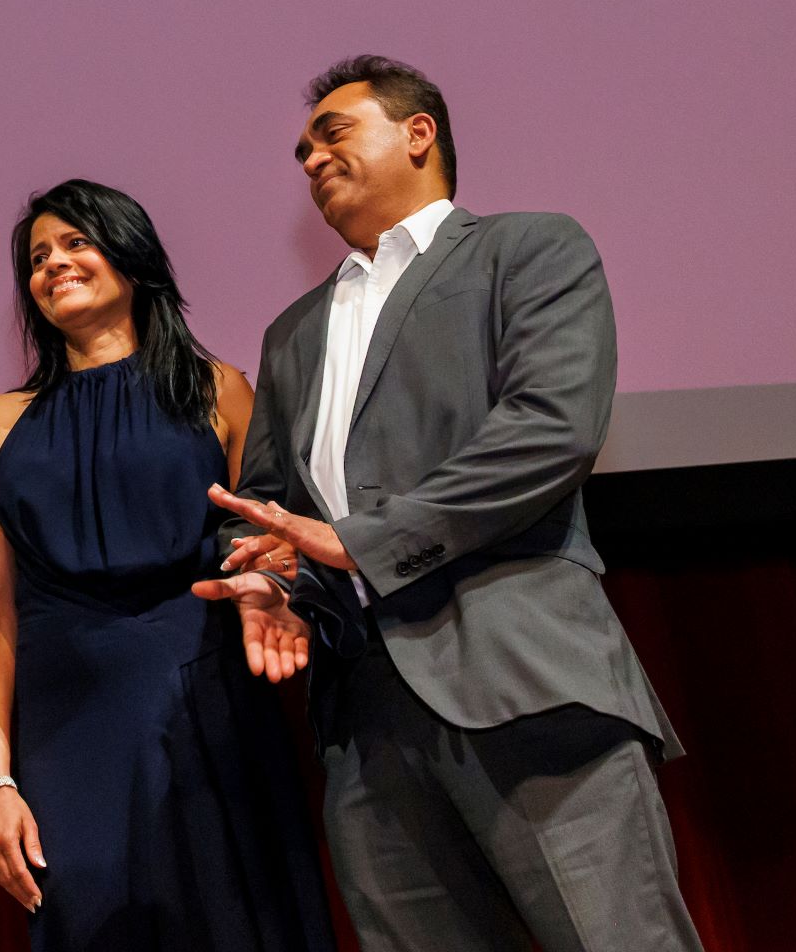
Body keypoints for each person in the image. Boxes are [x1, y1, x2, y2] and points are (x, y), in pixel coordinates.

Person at [199, 56, 702, 949]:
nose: (312, 160)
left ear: (418, 133)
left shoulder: (531, 248)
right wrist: (275, 583)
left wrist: (363, 543)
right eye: (302, 152)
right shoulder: (292, 335)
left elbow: (551, 431)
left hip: (523, 677)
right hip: (363, 726)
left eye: (333, 135)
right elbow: (280, 510)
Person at [0, 180, 336, 950]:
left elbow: (275, 546)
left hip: (208, 702)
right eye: (38, 257)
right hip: (68, 727)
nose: (54, 265)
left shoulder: (218, 389)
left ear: (131, 258)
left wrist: (277, 586)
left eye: (75, 243)